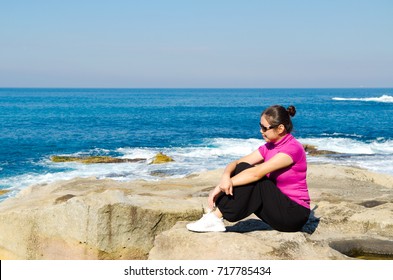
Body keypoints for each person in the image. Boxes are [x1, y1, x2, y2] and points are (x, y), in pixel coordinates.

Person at [186, 105, 310, 233]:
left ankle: (215, 218)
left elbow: (256, 174)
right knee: (242, 168)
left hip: (294, 214)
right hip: (277, 208)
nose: (261, 131)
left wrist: (221, 187)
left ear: (280, 128)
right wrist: (225, 177)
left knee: (254, 179)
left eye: (264, 128)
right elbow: (237, 163)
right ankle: (215, 218)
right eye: (260, 126)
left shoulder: (293, 148)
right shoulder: (269, 147)